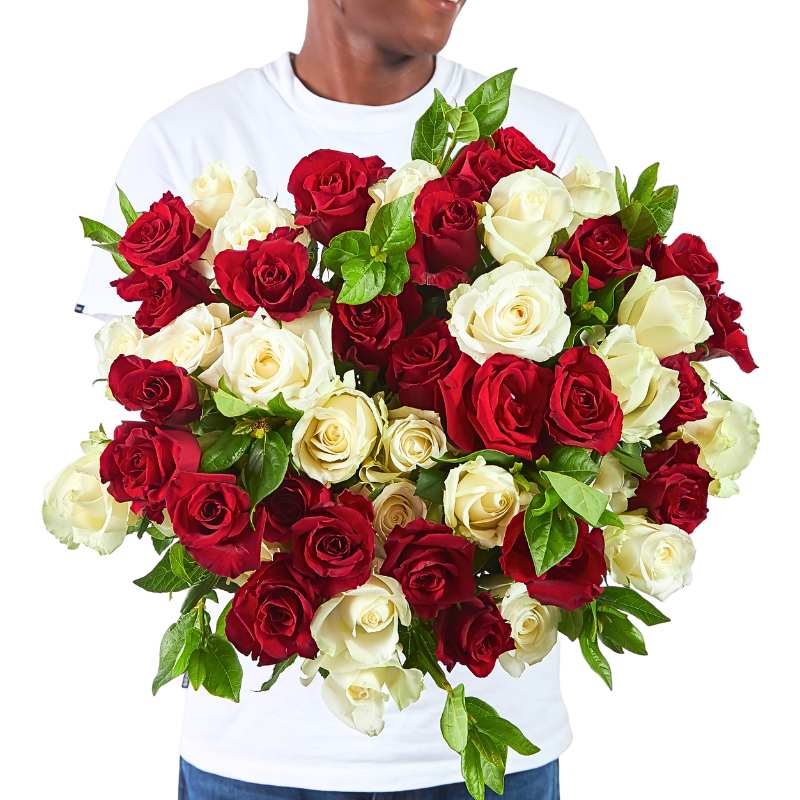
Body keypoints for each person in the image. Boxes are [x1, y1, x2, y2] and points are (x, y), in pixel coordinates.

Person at [78, 2, 605, 797]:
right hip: (261, 757)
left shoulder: (543, 149)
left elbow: (607, 425)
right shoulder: (193, 142)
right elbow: (144, 440)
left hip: (491, 754)